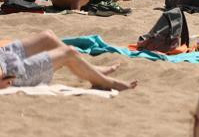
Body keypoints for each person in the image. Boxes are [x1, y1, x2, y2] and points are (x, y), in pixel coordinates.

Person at [0, 30, 137, 91]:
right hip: (9, 73)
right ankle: (106, 82)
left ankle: (92, 70)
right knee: (69, 52)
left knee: (48, 36)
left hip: (3, 57)